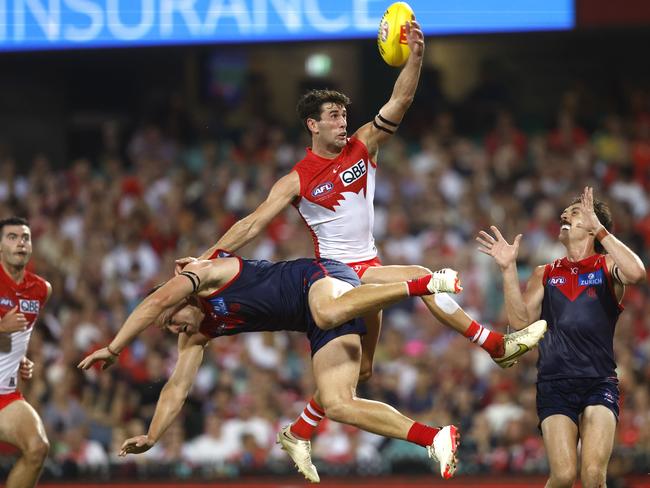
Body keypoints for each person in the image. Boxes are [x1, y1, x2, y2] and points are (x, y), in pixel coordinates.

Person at [177, 16, 546, 482]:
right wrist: (207, 258)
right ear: (311, 125)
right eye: (331, 116)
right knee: (422, 280)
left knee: (361, 374)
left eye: (343, 114)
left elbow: (403, 98)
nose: (341, 121)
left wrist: (417, 56)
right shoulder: (296, 179)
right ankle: (496, 345)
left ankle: (298, 430)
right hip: (337, 273)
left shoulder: (363, 146)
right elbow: (252, 223)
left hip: (366, 263)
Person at [77, 251, 480, 480]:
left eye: (172, 320)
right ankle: (434, 438)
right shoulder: (197, 334)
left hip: (320, 279)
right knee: (339, 402)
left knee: (323, 313)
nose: (174, 328)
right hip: (318, 320)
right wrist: (152, 436)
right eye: (169, 329)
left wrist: (114, 347)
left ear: (178, 297)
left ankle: (423, 284)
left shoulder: (205, 275)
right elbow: (177, 388)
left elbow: (152, 304)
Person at [476, 187, 646, 488]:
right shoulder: (546, 272)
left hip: (599, 381)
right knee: (565, 476)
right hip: (554, 383)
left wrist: (602, 231)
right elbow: (519, 322)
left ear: (593, 226)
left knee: (593, 476)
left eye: (575, 212)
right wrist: (507, 269)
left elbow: (636, 273)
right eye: (565, 212)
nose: (565, 215)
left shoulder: (606, 265)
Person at [0, 217, 52, 488]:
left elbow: (20, 336)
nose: (20, 242)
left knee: (37, 448)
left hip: (5, 396)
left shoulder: (41, 290)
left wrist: (19, 358)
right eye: (12, 237)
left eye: (25, 237)